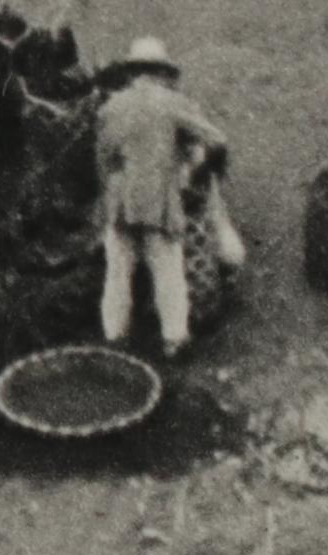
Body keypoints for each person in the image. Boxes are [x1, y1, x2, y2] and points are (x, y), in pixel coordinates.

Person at [91, 39, 240, 360]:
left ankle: (115, 341)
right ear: (161, 71)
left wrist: (112, 194)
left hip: (120, 202)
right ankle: (174, 341)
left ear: (131, 71)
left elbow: (104, 161)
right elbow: (217, 139)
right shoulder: (173, 103)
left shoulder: (111, 107)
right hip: (159, 201)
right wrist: (200, 171)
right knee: (168, 273)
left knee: (117, 275)